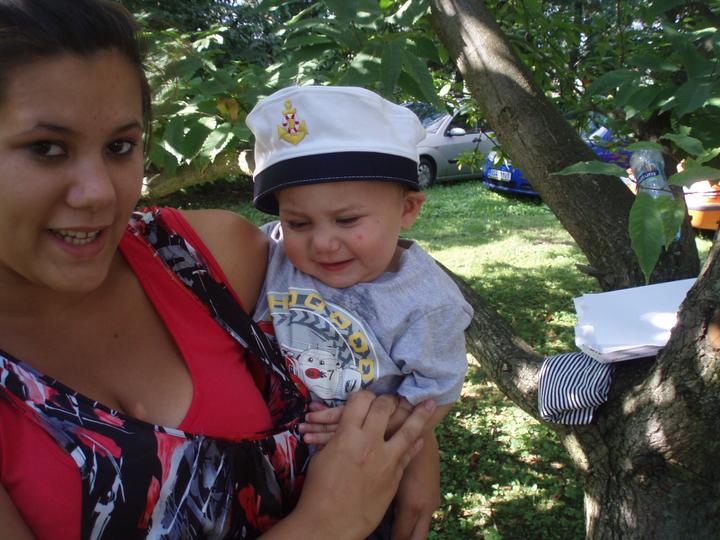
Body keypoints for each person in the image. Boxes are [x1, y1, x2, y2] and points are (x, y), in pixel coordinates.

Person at [0, 1, 435, 539]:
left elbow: (370, 309)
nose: (99, 193)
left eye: (120, 146)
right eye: (46, 148)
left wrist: (413, 442)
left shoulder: (201, 257)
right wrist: (328, 522)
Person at [247, 85, 474, 539]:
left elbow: (435, 393)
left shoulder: (427, 303)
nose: (322, 243)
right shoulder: (272, 253)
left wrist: (387, 416)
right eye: (298, 222)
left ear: (408, 209)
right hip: (263, 478)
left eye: (347, 220)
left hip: (361, 484)